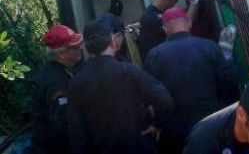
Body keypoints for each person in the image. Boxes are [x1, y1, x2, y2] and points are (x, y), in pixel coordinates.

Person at [67, 20, 174, 154]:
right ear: (112, 41)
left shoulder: (76, 83)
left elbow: (76, 132)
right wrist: (157, 124)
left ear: (86, 48)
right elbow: (165, 100)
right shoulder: (130, 71)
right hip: (138, 147)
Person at [144, 7, 240, 153]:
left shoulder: (153, 56)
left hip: (175, 130)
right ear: (189, 23)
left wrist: (158, 123)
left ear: (164, 29)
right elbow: (230, 80)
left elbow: (151, 97)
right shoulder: (209, 47)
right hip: (211, 123)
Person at [31, 25, 84, 154]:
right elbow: (63, 126)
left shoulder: (65, 71)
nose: (80, 48)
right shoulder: (55, 83)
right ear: (60, 54)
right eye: (74, 47)